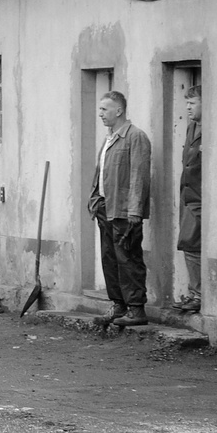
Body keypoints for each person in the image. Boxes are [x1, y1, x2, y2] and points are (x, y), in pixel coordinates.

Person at [86, 90, 152, 328]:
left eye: (104, 109)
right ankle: (118, 305)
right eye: (100, 109)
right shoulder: (109, 138)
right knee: (109, 258)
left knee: (128, 258)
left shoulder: (136, 137)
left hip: (125, 212)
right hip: (106, 208)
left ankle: (136, 309)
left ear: (119, 110)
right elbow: (100, 172)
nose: (100, 114)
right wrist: (95, 200)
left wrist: (135, 211)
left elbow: (139, 176)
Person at [176, 86, 202, 313]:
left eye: (192, 103)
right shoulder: (191, 127)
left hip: (202, 197)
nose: (188, 107)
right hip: (189, 195)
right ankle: (195, 293)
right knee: (190, 245)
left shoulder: (208, 128)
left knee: (192, 245)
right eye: (187, 103)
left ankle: (199, 294)